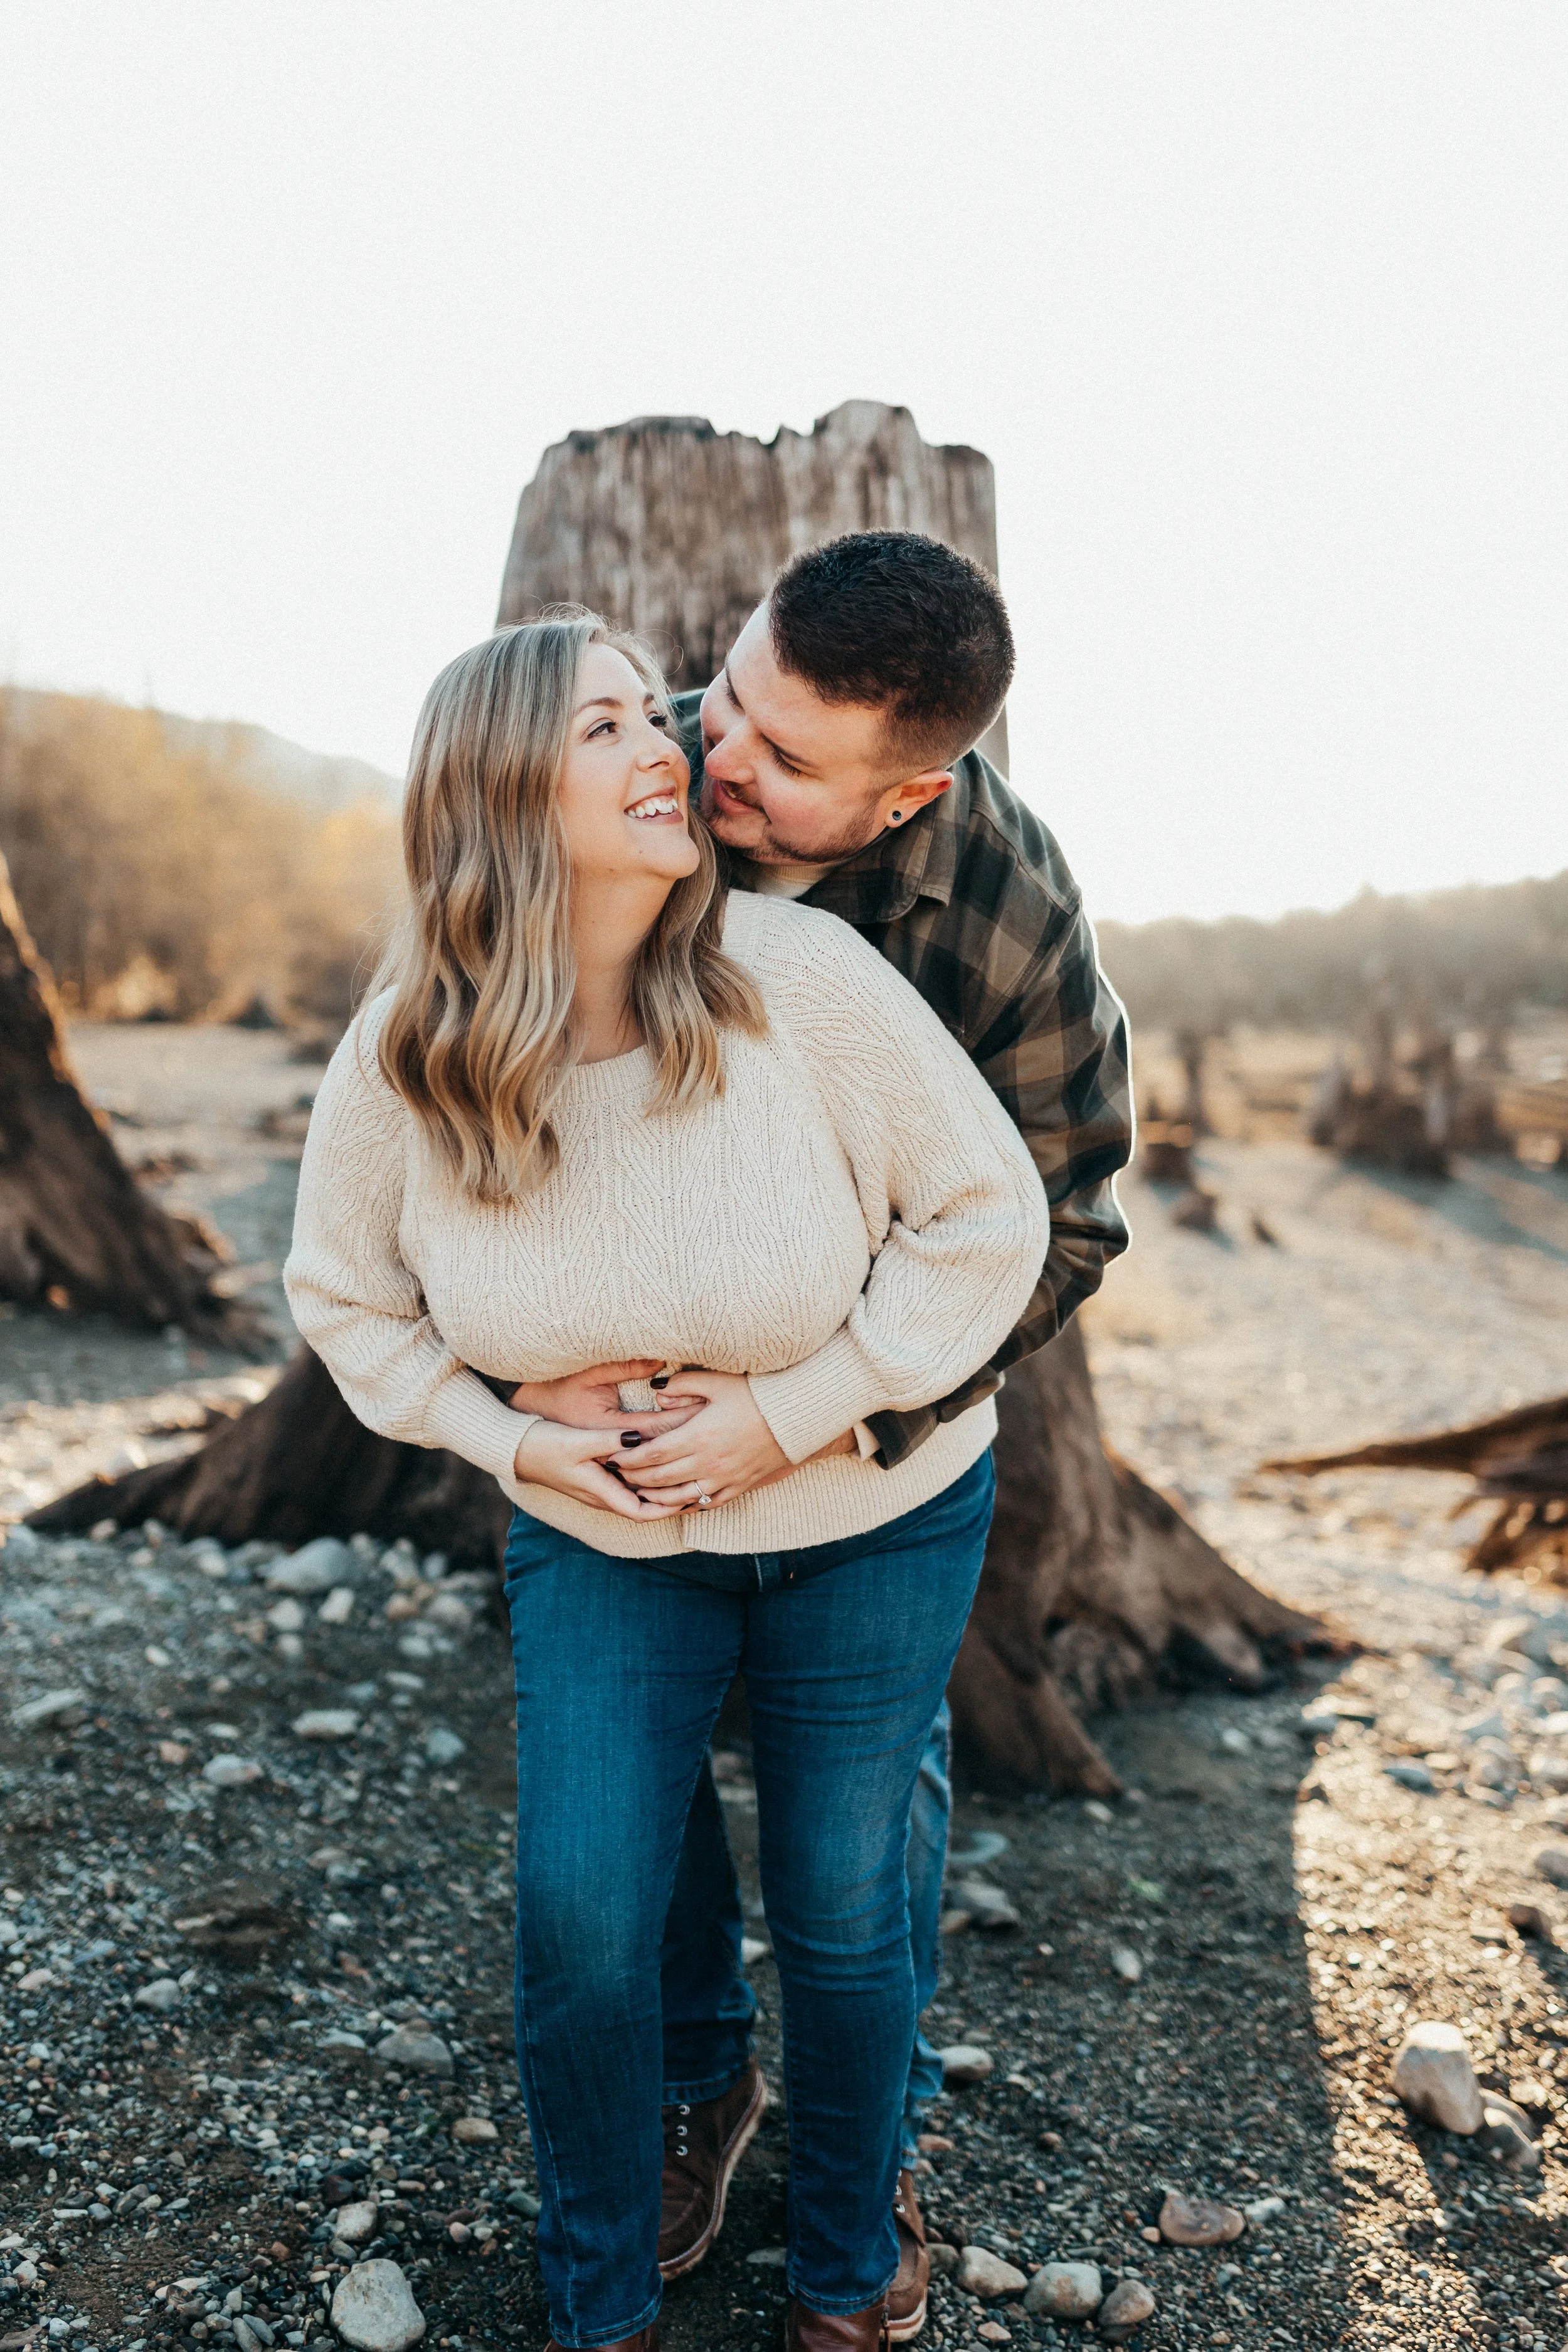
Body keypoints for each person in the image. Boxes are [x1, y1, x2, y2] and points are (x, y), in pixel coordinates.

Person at [284, 611, 1052, 2352]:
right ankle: (598, 2306)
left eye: (656, 707)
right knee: (580, 1917)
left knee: (847, 1916)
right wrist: (508, 1432)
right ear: (493, 789)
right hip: (600, 1533)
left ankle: (852, 2263)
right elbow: (344, 1296)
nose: (668, 748)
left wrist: (801, 1408)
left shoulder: (809, 984)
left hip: (869, 1516)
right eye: (604, 727)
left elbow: (991, 1220)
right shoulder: (416, 1044)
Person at [506, 533, 1134, 2343]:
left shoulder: (1003, 908)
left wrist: (810, 1405)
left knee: (851, 1875)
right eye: (731, 695)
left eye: (783, 760)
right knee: (618, 1847)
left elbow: (1064, 1217)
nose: (717, 762)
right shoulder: (629, 781)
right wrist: (524, 1377)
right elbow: (461, 1088)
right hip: (616, 1475)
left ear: (909, 791)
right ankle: (705, 2091)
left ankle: (863, 2168)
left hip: (880, 1479)